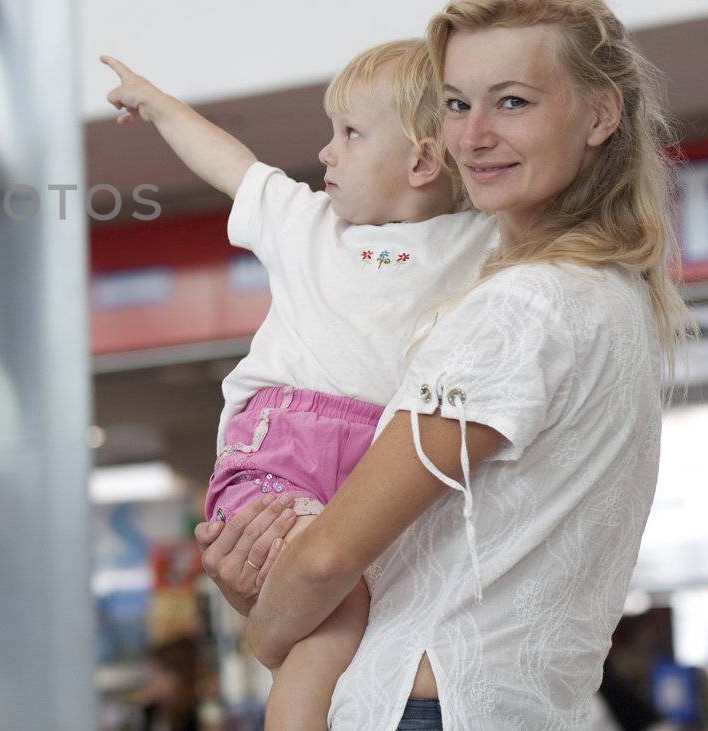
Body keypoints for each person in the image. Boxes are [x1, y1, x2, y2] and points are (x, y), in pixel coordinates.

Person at [195, 0, 693, 729]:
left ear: (599, 115)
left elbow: (332, 555)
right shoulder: (611, 294)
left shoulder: (526, 306)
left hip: (424, 705)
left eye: (513, 102)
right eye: (458, 103)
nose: (473, 134)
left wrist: (266, 627)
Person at [102, 40, 496, 729]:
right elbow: (234, 166)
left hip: (379, 460)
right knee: (331, 621)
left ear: (423, 161)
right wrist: (160, 105)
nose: (325, 152)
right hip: (280, 448)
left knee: (361, 608)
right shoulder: (309, 224)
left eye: (349, 133)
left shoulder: (479, 240)